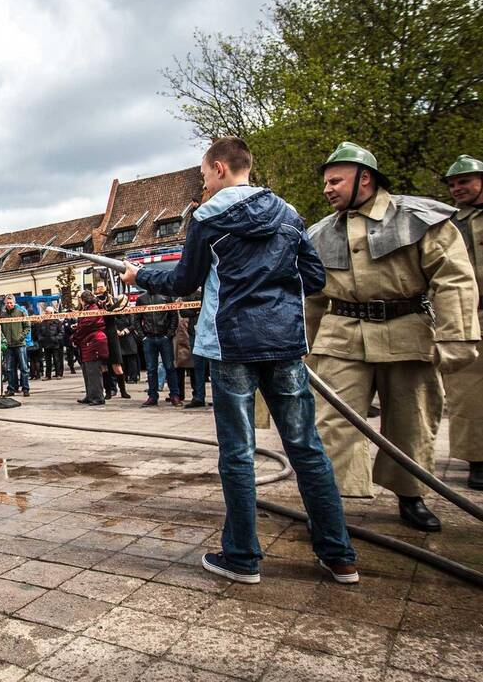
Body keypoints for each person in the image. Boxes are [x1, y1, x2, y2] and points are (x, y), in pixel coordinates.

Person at [122, 135, 358, 586]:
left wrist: (140, 275)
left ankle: (243, 557)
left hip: (232, 346)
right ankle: (339, 555)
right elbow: (314, 277)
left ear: (220, 169)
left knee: (237, 452)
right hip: (285, 343)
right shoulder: (289, 214)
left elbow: (183, 279)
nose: (203, 185)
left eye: (204, 175)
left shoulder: (208, 218)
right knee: (307, 448)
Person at [306, 142, 480, 530]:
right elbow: (312, 297)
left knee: (411, 419)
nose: (327, 189)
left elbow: (452, 278)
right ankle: (328, 505)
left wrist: (456, 336)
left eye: (336, 181)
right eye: (326, 183)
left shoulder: (420, 217)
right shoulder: (319, 233)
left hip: (406, 330)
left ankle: (410, 495)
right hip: (341, 336)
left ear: (364, 178)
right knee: (332, 421)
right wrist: (304, 348)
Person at [442, 155, 483, 489]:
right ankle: (477, 458)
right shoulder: (451, 222)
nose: (457, 188)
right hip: (470, 313)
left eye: (464, 181)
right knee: (468, 390)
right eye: (453, 184)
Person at [137, 291, 181, 407]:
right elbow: (136, 318)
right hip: (150, 337)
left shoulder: (166, 296)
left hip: (163, 336)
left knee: (170, 367)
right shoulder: (141, 299)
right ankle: (153, 396)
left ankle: (174, 395)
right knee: (151, 369)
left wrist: (169, 334)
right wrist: (143, 337)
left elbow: (173, 316)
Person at [70, 290, 108, 406]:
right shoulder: (88, 309)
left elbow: (85, 327)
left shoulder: (92, 309)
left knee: (93, 372)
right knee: (87, 371)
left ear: (83, 299)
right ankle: (90, 395)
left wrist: (74, 338)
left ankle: (98, 397)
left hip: (93, 342)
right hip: (87, 343)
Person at [96, 283, 130, 400]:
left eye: (102, 286)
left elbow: (121, 316)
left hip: (111, 333)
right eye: (98, 286)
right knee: (104, 365)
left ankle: (123, 391)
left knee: (116, 364)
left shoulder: (112, 299)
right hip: (101, 333)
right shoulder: (95, 302)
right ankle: (108, 391)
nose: (100, 288)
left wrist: (113, 307)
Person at [179, 290, 207, 408]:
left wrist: (194, 311)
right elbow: (184, 311)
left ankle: (216, 398)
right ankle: (199, 396)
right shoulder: (187, 295)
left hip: (208, 331)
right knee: (197, 367)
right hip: (194, 333)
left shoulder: (204, 293)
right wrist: (196, 311)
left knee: (214, 366)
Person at [0, 294, 30, 397]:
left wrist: (21, 336)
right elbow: (0, 329)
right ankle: (11, 388)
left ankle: (25, 388)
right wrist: (4, 339)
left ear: (14, 302)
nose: (9, 304)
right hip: (8, 345)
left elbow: (27, 327)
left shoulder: (21, 312)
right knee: (9, 369)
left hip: (20, 344)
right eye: (7, 303)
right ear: (4, 303)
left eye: (11, 303)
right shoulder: (2, 315)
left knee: (24, 368)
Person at [38, 306, 64, 381]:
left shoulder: (57, 322)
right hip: (46, 344)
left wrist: (56, 338)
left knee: (57, 360)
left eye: (47, 312)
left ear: (51, 313)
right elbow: (39, 333)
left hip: (55, 344)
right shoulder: (43, 323)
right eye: (45, 312)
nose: (45, 313)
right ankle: (48, 375)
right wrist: (42, 339)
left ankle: (58, 374)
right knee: (48, 360)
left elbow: (61, 332)